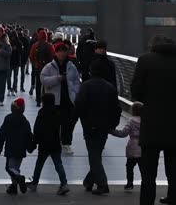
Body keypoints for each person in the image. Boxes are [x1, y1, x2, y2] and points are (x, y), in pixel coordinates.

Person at [131, 35, 176, 205]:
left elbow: (135, 91)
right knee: (174, 171)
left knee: (148, 174)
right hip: (174, 126)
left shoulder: (145, 60)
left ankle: (147, 201)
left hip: (152, 124)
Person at [75, 60, 122, 195]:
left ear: (90, 71)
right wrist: (113, 123)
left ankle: (102, 184)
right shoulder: (110, 87)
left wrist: (71, 124)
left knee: (93, 155)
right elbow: (117, 108)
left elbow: (79, 105)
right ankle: (89, 181)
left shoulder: (86, 86)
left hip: (89, 125)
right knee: (97, 153)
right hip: (104, 126)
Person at [40, 43, 81, 155]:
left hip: (68, 100)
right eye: (60, 51)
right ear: (56, 53)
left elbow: (77, 81)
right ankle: (54, 143)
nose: (62, 53)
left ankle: (66, 143)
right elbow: (43, 80)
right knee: (54, 124)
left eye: (64, 51)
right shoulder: (49, 67)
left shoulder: (71, 66)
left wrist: (75, 92)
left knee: (68, 124)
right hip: (54, 101)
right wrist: (58, 78)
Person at [26, 93, 70, 195]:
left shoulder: (41, 113)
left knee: (39, 164)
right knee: (58, 164)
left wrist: (35, 141)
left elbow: (37, 129)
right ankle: (64, 183)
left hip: (44, 144)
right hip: (55, 143)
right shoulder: (57, 113)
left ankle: (34, 183)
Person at [0, 98, 34, 195]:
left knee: (9, 168)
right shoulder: (25, 121)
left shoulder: (8, 119)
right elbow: (29, 135)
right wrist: (31, 147)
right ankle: (13, 187)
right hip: (21, 149)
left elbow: (2, 134)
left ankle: (19, 178)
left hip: (11, 147)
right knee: (15, 167)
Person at [109, 102, 144, 191]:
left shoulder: (131, 120)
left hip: (132, 146)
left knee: (129, 166)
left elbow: (123, 133)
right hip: (143, 147)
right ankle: (145, 182)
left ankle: (130, 183)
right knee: (143, 168)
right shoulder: (146, 120)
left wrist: (112, 131)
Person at [29, 29, 55, 107]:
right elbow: (53, 56)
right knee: (47, 84)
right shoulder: (50, 45)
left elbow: (31, 56)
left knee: (38, 84)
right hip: (47, 67)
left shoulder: (35, 45)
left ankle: (38, 100)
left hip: (38, 67)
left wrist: (35, 64)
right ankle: (45, 99)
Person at [7, 30, 21, 96]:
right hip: (13, 61)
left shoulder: (10, 42)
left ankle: (12, 89)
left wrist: (16, 49)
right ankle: (11, 89)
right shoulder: (10, 43)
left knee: (12, 76)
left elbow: (21, 51)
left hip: (13, 61)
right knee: (13, 76)